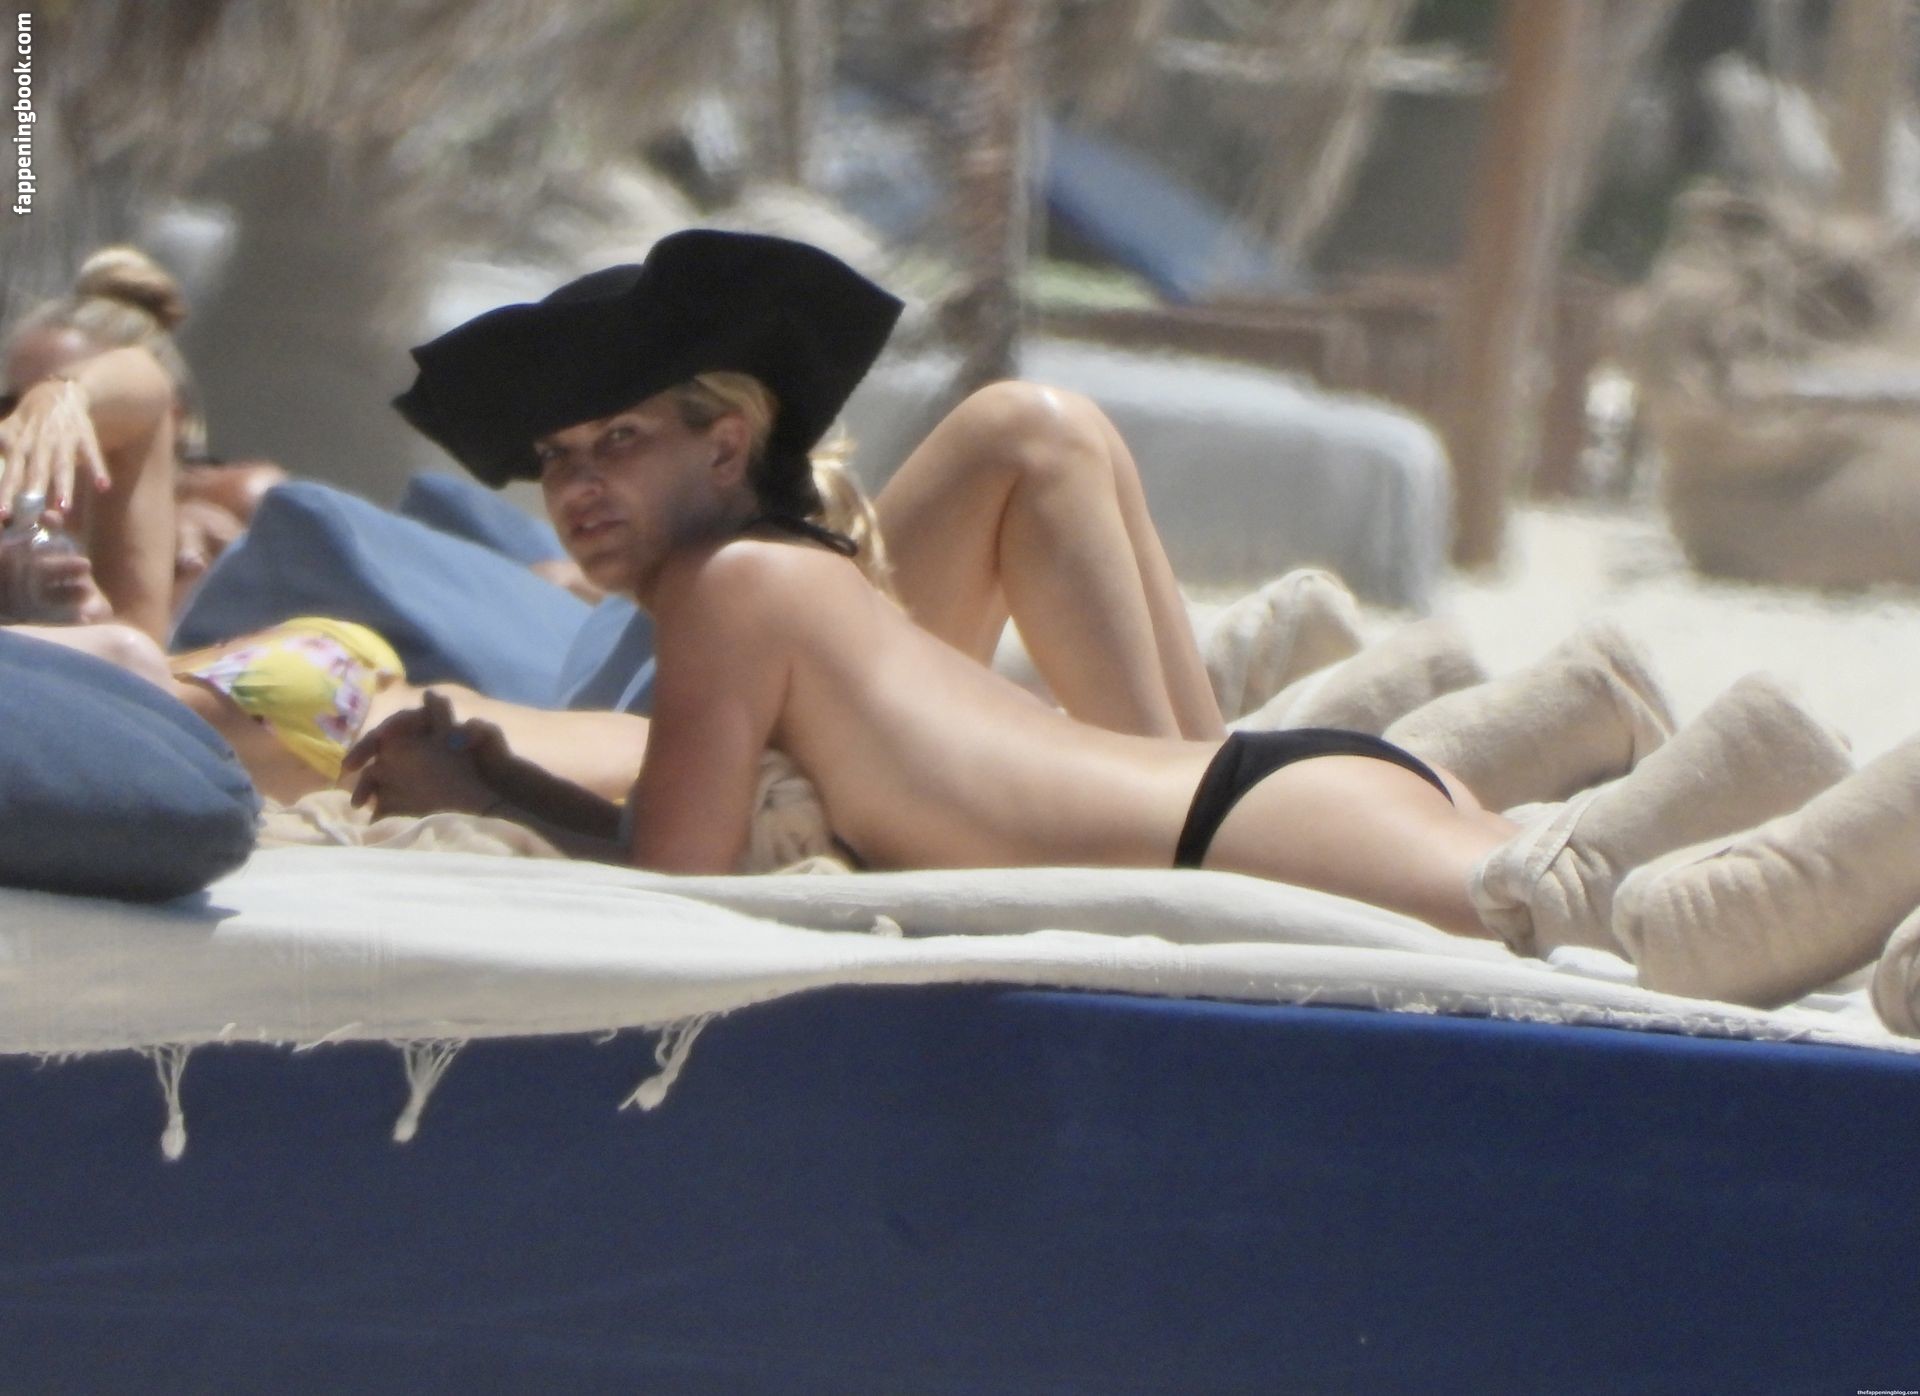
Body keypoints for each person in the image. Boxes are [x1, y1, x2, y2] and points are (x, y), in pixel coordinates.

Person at [361, 230, 1518, 936]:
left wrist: (483, 805)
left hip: (1247, 833)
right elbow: (670, 844)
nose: (578, 485)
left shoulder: (729, 590)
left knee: (1590, 924)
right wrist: (503, 782)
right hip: (1264, 804)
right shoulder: (786, 582)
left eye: (619, 439)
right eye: (557, 456)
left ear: (724, 448)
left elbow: (673, 903)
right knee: (1569, 914)